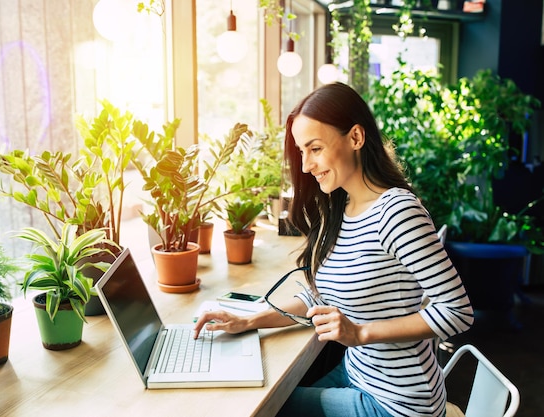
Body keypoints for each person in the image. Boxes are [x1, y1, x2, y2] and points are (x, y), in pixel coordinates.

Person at [194, 82, 474, 417]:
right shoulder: (343, 207)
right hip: (360, 374)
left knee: (259, 409)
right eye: (301, 151)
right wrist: (249, 320)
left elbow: (458, 312)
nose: (305, 166)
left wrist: (360, 333)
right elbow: (320, 297)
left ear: (355, 138)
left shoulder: (398, 212)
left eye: (315, 148)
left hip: (398, 403)